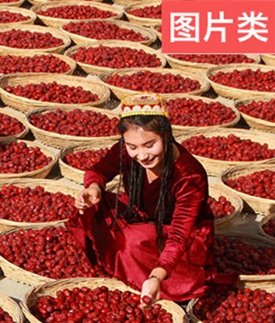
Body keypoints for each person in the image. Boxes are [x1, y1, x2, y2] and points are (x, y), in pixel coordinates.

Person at [68, 93, 237, 305]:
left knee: (133, 244)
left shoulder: (189, 175)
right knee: (91, 206)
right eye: (132, 147)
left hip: (179, 234)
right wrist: (94, 188)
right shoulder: (124, 150)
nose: (142, 155)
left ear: (166, 136)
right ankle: (121, 257)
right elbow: (99, 170)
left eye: (150, 145)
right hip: (139, 214)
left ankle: (147, 272)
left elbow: (179, 235)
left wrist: (157, 276)